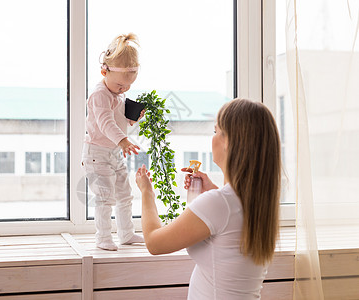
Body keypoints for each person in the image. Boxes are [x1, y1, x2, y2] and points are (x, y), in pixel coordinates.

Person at [136, 99, 281, 299]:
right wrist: (212, 189)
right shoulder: (260, 203)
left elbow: (154, 242)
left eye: (216, 132)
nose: (212, 138)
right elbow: (230, 218)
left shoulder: (219, 203)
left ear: (230, 142)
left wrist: (146, 192)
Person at [82, 33, 145, 251]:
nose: (123, 90)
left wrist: (132, 120)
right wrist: (123, 140)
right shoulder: (100, 95)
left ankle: (127, 233)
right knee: (104, 197)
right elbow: (105, 122)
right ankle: (103, 237)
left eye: (128, 86)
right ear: (104, 72)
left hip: (114, 152)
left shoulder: (118, 95)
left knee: (124, 194)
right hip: (97, 153)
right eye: (120, 85)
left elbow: (118, 123)